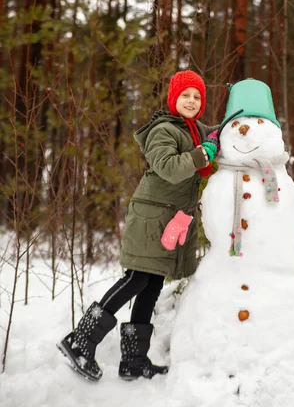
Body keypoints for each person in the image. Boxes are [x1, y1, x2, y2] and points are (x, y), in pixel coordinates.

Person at [57, 70, 219, 382]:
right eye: (185, 95)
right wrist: (201, 154)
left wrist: (239, 125)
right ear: (174, 99)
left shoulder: (195, 129)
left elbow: (220, 133)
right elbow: (170, 168)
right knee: (135, 279)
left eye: (197, 96)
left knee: (152, 284)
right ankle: (80, 341)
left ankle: (133, 360)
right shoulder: (164, 130)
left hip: (170, 219)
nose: (191, 100)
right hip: (150, 216)